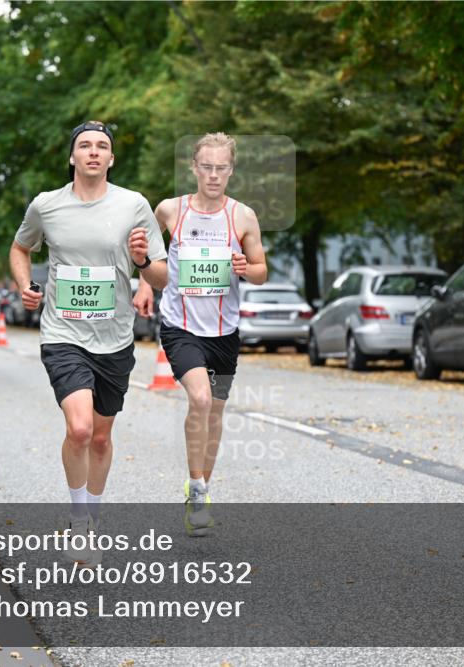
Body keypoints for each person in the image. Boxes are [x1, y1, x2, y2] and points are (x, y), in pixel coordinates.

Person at [9, 120, 167, 564]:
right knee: (78, 428)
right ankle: (79, 523)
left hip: (114, 337)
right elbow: (21, 248)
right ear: (73, 157)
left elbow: (162, 274)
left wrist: (141, 264)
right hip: (63, 332)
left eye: (102, 146)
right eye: (85, 145)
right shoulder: (47, 206)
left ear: (111, 159)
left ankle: (91, 517)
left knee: (100, 438)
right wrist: (25, 285)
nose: (93, 152)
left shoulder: (134, 205)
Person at [134, 132, 268, 536]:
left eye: (221, 168)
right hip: (181, 326)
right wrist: (144, 283)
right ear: (193, 168)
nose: (213, 175)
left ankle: (202, 489)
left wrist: (246, 268)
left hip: (225, 332)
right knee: (201, 398)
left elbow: (262, 271)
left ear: (231, 169)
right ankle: (196, 489)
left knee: (216, 413)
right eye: (206, 167)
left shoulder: (242, 216)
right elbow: (149, 255)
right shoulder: (169, 211)